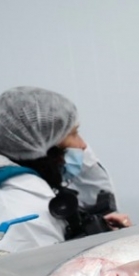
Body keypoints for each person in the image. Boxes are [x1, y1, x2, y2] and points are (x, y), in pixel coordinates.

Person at [0, 87, 130, 253]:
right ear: (37, 142)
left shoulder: (26, 196)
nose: (82, 145)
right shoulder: (24, 213)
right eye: (73, 134)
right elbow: (43, 275)